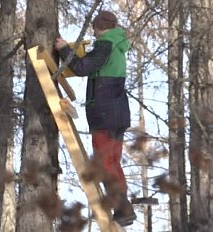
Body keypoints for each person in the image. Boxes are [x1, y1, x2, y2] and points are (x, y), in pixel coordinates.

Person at [54, 11, 136, 226]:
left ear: (100, 26)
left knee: (104, 161)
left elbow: (83, 67)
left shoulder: (106, 44)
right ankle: (123, 208)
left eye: (94, 27)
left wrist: (63, 49)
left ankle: (122, 207)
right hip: (118, 113)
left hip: (105, 113)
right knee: (112, 162)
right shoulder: (117, 45)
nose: (92, 30)